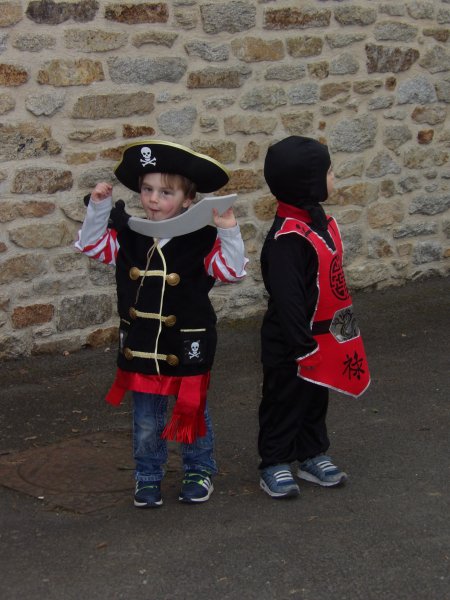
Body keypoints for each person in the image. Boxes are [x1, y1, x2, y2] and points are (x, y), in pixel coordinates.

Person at [75, 140, 247, 507]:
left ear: (188, 199)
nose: (153, 199)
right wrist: (99, 208)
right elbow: (92, 246)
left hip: (188, 341)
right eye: (147, 189)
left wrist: (229, 230)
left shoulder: (203, 238)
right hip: (141, 343)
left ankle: (198, 469)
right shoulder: (129, 236)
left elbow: (231, 271)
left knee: (191, 411)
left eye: (166, 192)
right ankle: (148, 474)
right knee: (146, 419)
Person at [258, 135, 370, 499]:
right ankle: (274, 461)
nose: (334, 177)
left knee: (315, 398)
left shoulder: (318, 221)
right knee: (284, 400)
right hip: (291, 342)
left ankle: (311, 453)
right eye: (329, 171)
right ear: (307, 182)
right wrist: (301, 346)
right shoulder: (286, 240)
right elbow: (288, 299)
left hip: (321, 338)